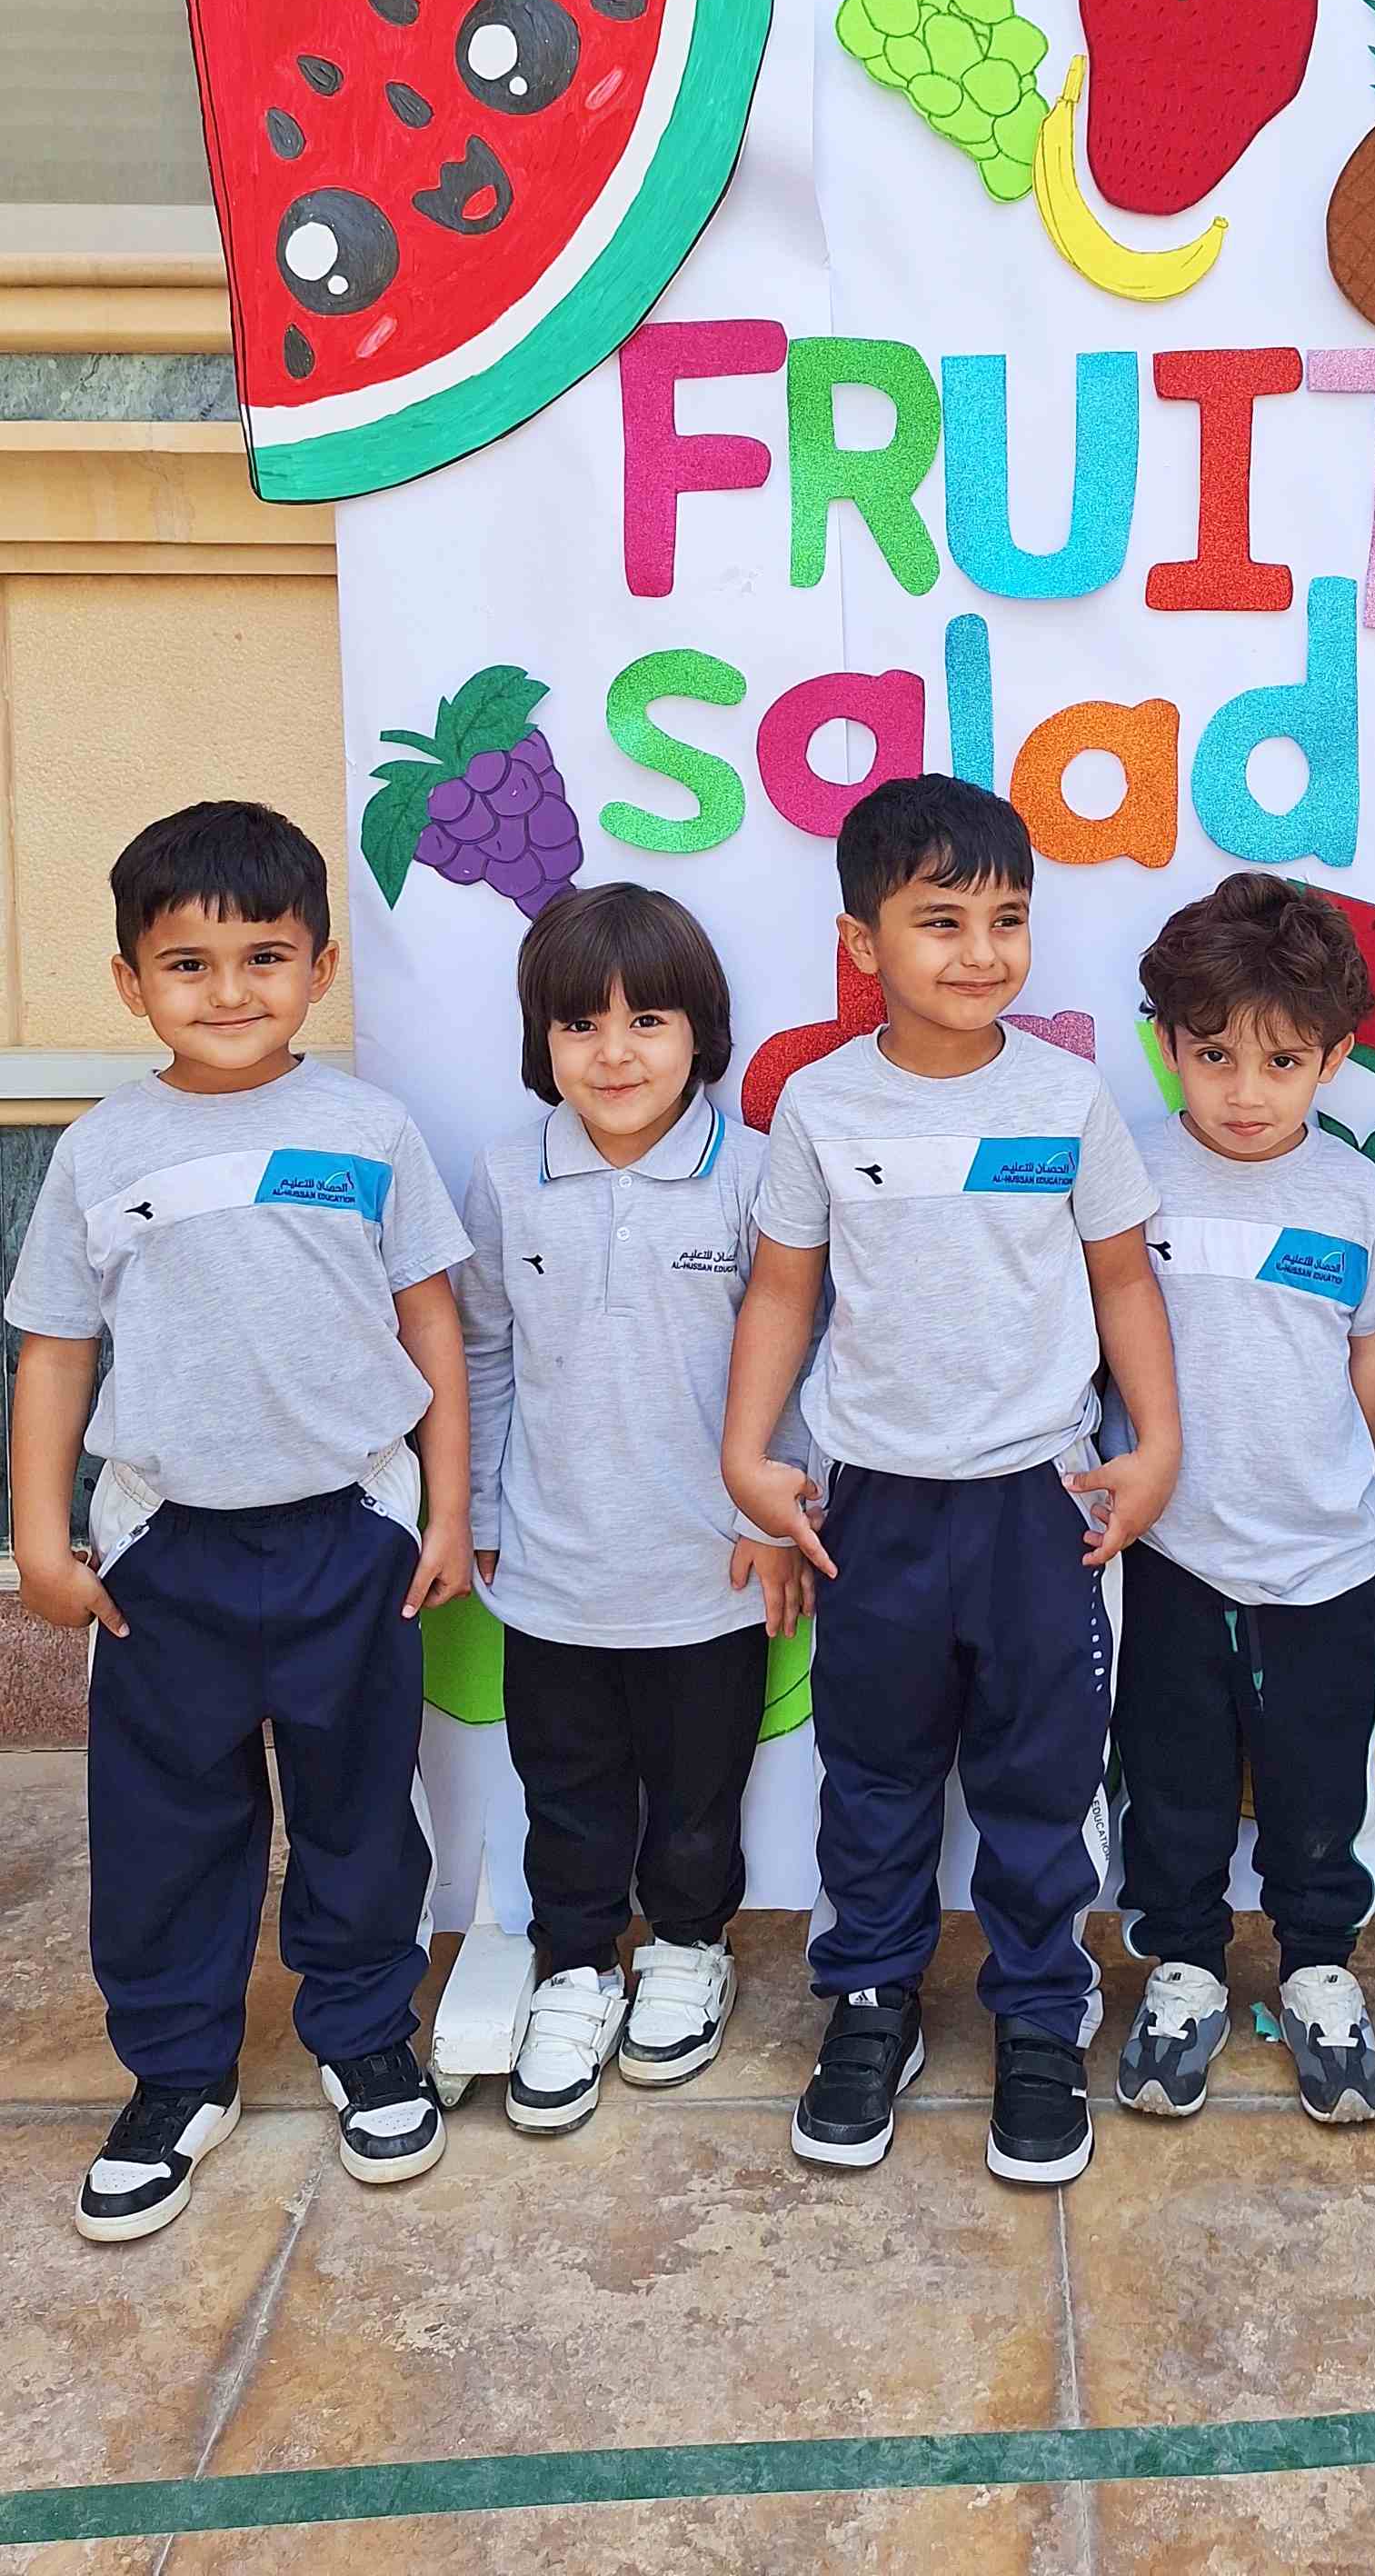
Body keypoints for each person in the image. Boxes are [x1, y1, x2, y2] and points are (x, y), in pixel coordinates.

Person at [6, 801, 473, 2241]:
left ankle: (365, 2034)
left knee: (359, 1809)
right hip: (167, 1551)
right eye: (187, 964)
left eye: (264, 957)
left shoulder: (368, 1128)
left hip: (352, 1536)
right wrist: (40, 1538)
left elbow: (432, 1321)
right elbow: (56, 1352)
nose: (229, 992)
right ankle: (175, 2072)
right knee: (166, 1823)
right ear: (129, 981)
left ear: (320, 968)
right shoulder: (101, 1151)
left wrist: (446, 1506)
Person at [721, 774, 1179, 2187]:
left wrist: (1157, 1444)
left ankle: (1041, 2013)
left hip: (1039, 1507)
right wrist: (749, 1457)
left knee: (1041, 1778)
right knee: (875, 1771)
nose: (981, 952)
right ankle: (872, 1999)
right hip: (874, 1508)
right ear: (862, 941)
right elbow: (784, 1291)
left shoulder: (1065, 1097)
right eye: (941, 921)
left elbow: (1122, 1278)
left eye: (1007, 919)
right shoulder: (820, 1105)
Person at [459, 882, 807, 2133]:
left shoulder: (754, 1176)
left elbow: (805, 1353)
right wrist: (479, 1507)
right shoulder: (506, 1178)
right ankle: (574, 1968)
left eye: (647, 1021)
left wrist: (776, 1517)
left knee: (699, 1794)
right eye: (581, 1025)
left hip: (710, 1573)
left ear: (699, 1032)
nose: (614, 1054)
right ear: (541, 1041)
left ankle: (690, 1951)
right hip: (551, 1568)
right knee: (566, 1786)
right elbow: (484, 1350)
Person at [1107, 873, 1375, 2129]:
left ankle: (1319, 1967)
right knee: (1171, 1782)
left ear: (1334, 1057)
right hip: (1169, 1556)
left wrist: (1339, 1486)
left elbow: (1370, 1357)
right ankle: (1182, 1968)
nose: (1244, 1090)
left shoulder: (1355, 1195)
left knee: (1317, 1785)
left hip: (1324, 1563)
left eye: (1283, 1061)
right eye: (1213, 1054)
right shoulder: (1130, 1178)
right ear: (1167, 1044)